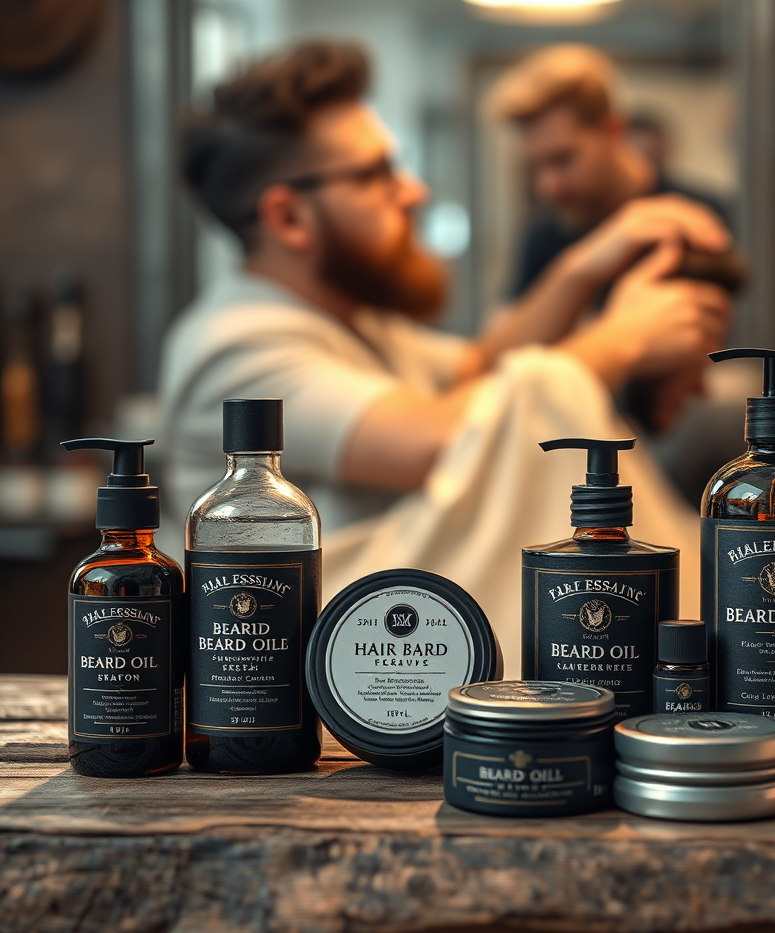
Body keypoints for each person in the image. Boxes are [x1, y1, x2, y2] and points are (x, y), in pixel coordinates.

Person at [160, 42, 730, 671]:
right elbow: (441, 438)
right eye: (376, 174)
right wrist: (623, 340)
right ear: (289, 216)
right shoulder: (235, 344)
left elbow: (478, 375)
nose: (413, 191)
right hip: (307, 694)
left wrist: (584, 265)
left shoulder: (359, 324)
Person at [488, 45, 730, 300]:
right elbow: (506, 334)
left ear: (613, 131)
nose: (548, 186)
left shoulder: (699, 214)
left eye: (562, 159)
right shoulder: (542, 235)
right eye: (534, 167)